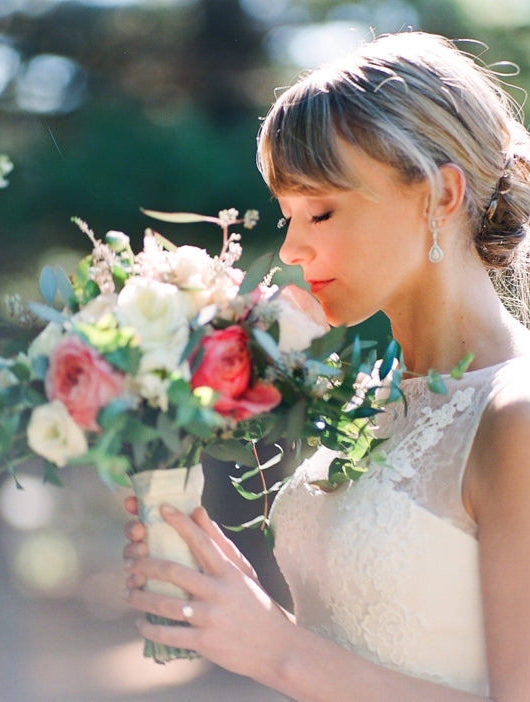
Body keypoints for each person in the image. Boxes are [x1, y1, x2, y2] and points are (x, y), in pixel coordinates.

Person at [123, 31, 530, 701]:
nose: (291, 250)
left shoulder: (514, 416)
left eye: (319, 210)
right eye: (288, 216)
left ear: (441, 195)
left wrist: (277, 651)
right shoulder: (367, 400)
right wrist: (231, 608)